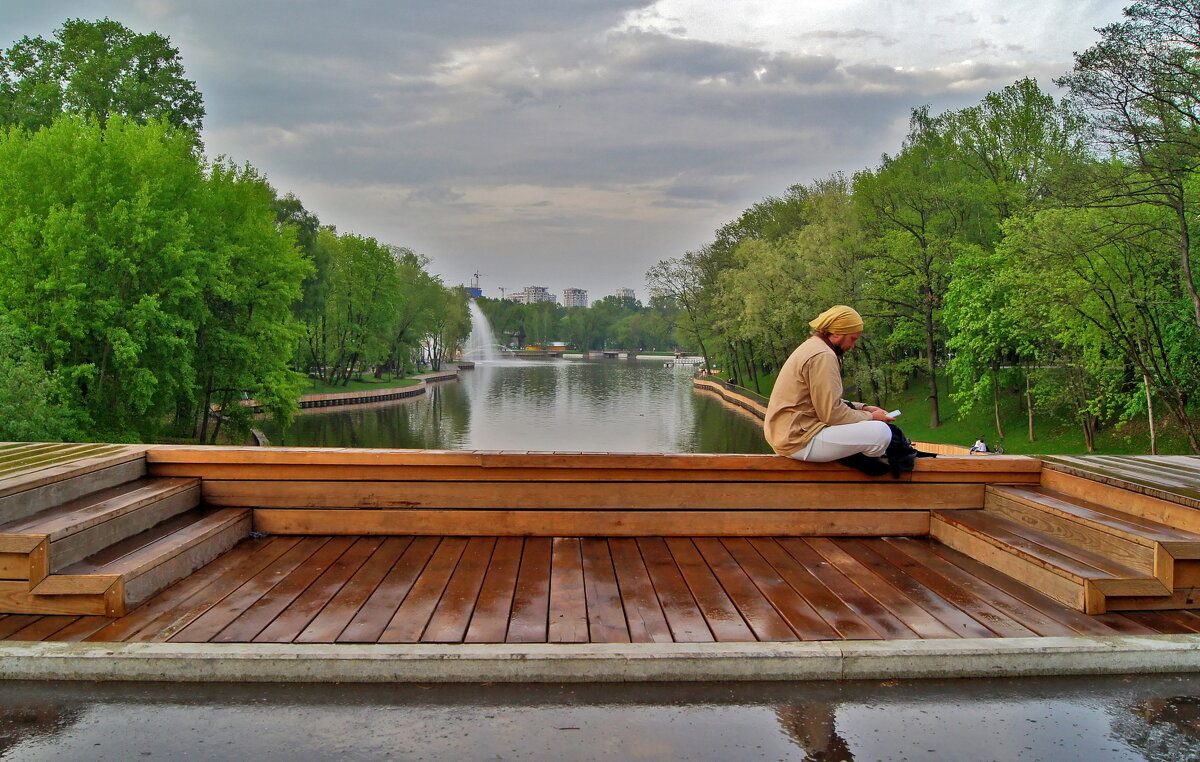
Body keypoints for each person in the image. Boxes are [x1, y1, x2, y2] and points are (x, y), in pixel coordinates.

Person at [764, 305, 894, 463]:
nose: (853, 346)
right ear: (837, 333)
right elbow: (831, 413)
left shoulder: (814, 347)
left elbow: (825, 403)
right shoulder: (823, 356)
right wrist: (871, 417)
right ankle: (864, 470)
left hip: (789, 434)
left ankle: (858, 464)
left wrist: (863, 408)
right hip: (798, 439)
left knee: (876, 431)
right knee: (880, 433)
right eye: (852, 339)